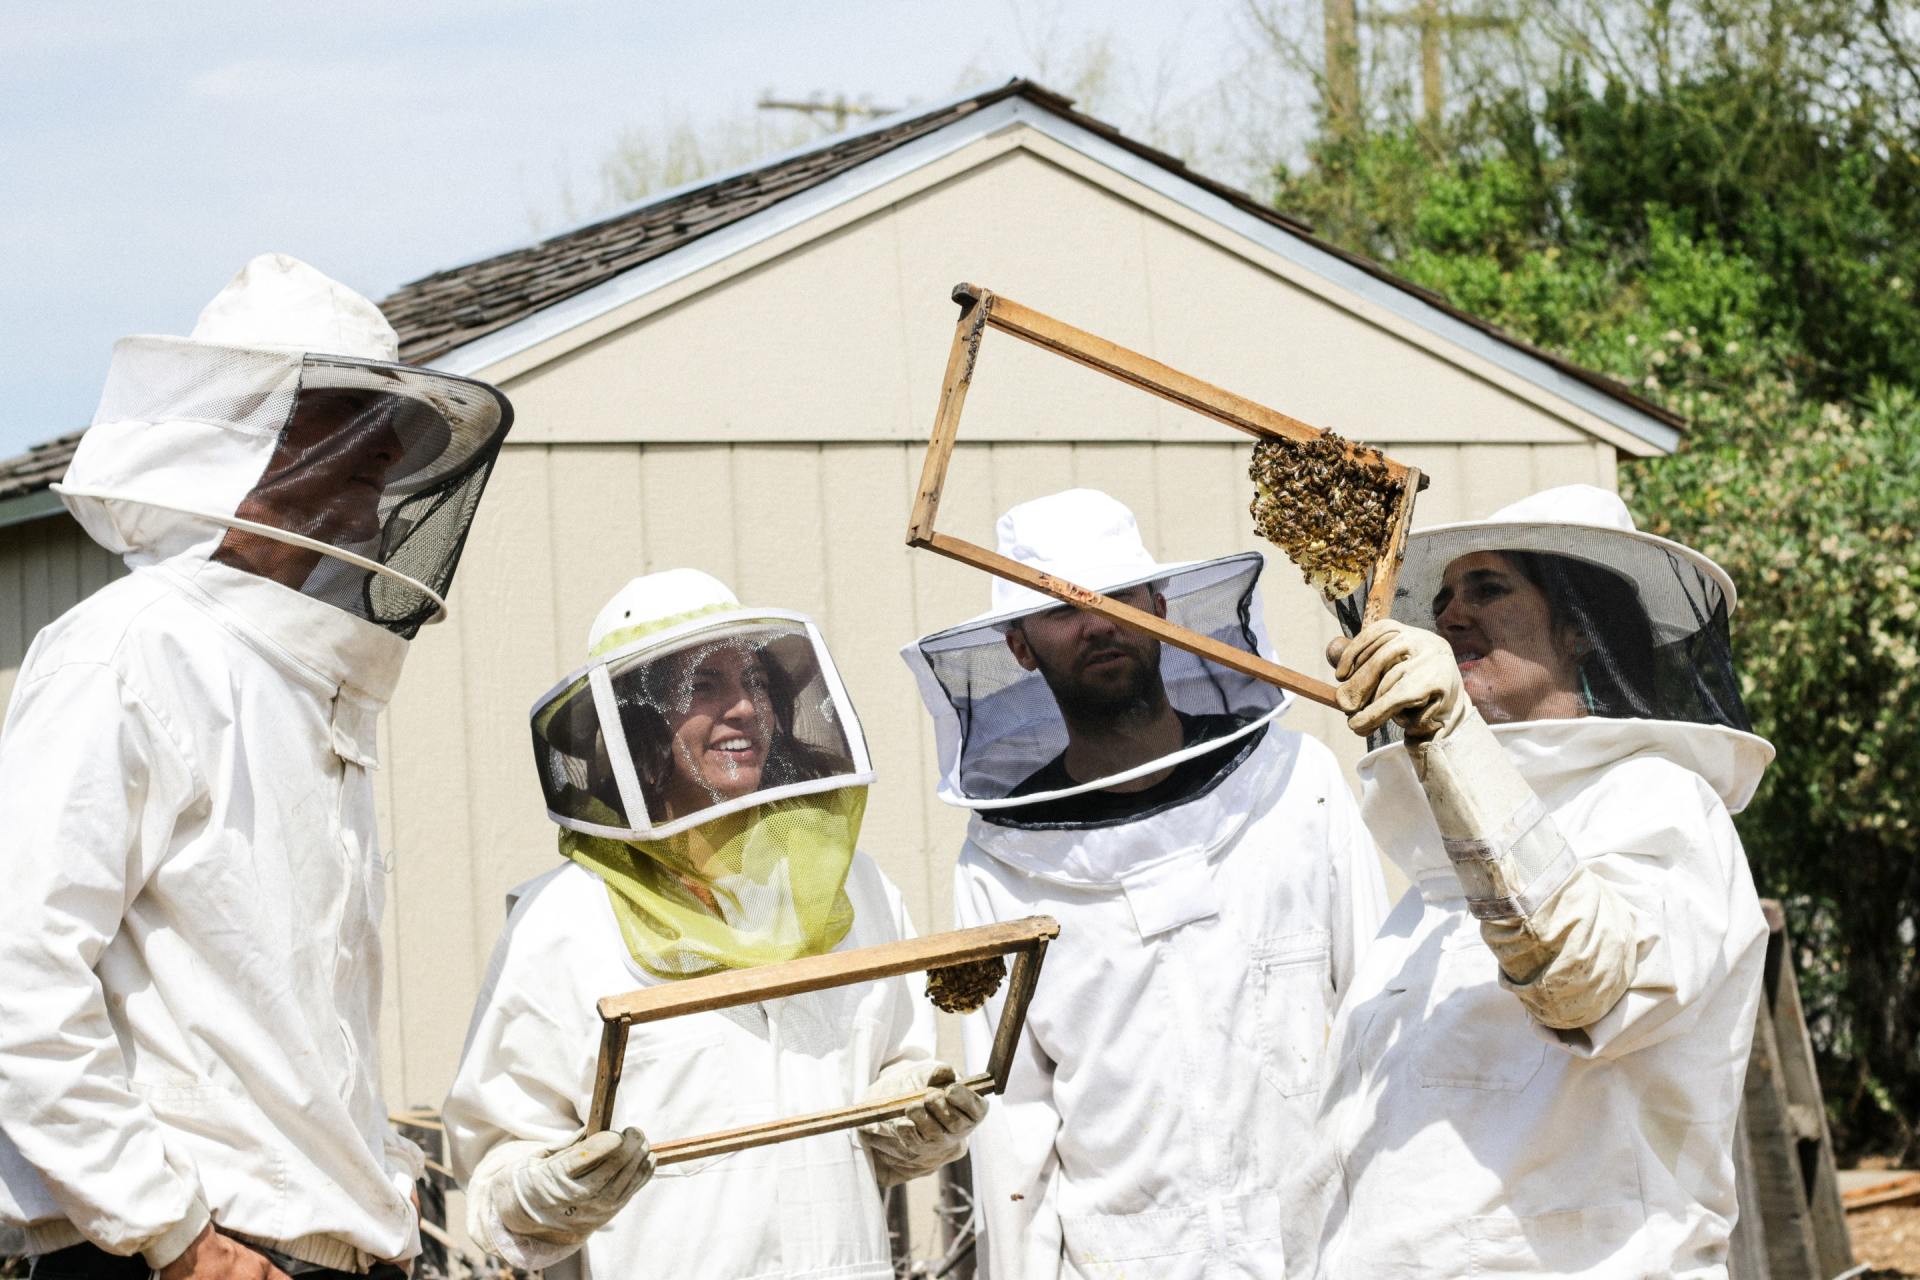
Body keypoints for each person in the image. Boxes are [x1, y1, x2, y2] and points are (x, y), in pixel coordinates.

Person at [0, 254, 515, 1279]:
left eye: (382, 460)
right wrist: (174, 1233)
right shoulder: (136, 645)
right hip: (178, 1252)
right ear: (252, 443)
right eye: (350, 451)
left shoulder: (301, 681)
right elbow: (15, 967)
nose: (374, 491)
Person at [900, 489, 1387, 1279]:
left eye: (1119, 594)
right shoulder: (999, 868)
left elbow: (1379, 1024)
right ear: (1020, 648)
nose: (1098, 621)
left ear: (1161, 604)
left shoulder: (1300, 786)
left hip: (1327, 1252)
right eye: (1061, 609)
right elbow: (1015, 1129)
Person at [443, 568, 983, 1279]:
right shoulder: (565, 920)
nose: (746, 710)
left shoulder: (853, 885)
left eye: (755, 682)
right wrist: (549, 1190)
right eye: (703, 686)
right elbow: (497, 1160)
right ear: (635, 719)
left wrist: (911, 1111)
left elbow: (894, 1070)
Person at [1314, 484, 1774, 1278]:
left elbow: (1580, 983)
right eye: (1444, 598)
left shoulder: (1658, 804)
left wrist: (1452, 737)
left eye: (1488, 589)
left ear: (1579, 626)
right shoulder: (1429, 886)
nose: (1449, 617)